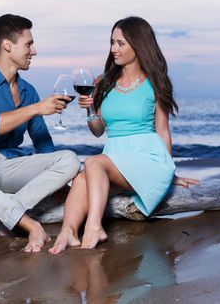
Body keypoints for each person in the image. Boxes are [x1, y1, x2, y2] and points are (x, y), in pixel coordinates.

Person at [49, 16, 199, 254]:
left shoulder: (155, 83)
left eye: (120, 43)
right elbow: (98, 131)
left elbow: (162, 131)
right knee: (81, 178)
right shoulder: (103, 82)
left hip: (147, 158)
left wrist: (169, 172)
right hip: (114, 158)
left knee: (92, 163)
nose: (113, 49)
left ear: (138, 45)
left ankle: (94, 227)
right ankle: (68, 232)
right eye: (112, 42)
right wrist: (89, 109)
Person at [0, 14, 80, 253]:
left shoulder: (28, 91)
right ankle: (27, 222)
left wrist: (59, 181)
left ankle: (0, 218)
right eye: (29, 44)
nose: (34, 51)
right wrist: (38, 108)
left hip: (13, 167)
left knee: (70, 159)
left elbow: (43, 142)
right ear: (7, 46)